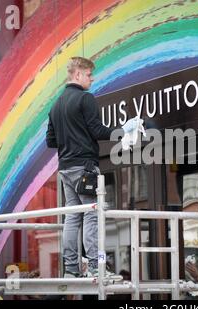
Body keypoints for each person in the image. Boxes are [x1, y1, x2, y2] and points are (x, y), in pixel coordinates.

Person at [46, 56, 139, 278]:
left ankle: (70, 269)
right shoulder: (85, 99)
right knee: (92, 215)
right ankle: (97, 266)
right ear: (77, 74)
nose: (92, 78)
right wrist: (123, 131)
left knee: (72, 216)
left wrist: (70, 138)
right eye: (89, 74)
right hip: (85, 167)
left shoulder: (56, 105)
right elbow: (97, 131)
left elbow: (51, 141)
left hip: (66, 169)